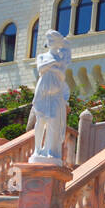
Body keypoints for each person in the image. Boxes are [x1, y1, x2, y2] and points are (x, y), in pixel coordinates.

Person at [29, 31, 71, 163]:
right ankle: (37, 149)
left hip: (56, 93)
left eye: (53, 40)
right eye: (49, 39)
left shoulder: (61, 58)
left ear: (58, 42)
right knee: (40, 121)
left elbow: (62, 75)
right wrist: (53, 65)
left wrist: (53, 67)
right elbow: (40, 68)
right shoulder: (42, 56)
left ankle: (50, 150)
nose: (50, 42)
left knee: (53, 121)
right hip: (42, 92)